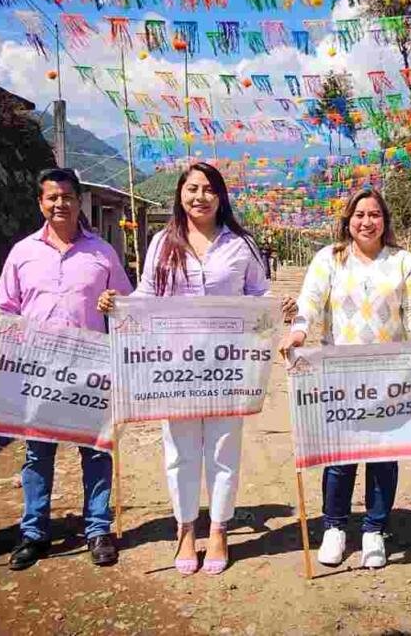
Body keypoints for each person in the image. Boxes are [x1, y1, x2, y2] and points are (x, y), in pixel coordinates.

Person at [98, 162, 286, 576]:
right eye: (191, 189)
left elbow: (260, 294)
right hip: (175, 368)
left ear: (220, 196)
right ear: (180, 195)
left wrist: (278, 311)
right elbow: (146, 294)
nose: (199, 197)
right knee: (180, 452)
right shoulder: (163, 243)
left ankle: (218, 529)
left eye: (207, 189)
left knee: (222, 451)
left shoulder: (241, 245)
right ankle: (185, 529)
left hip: (227, 368)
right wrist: (119, 304)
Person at [0, 168, 133, 571]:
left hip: (91, 370)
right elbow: (5, 310)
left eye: (67, 197)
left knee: (96, 451)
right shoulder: (22, 253)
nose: (60, 204)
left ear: (80, 202)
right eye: (52, 198)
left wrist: (116, 303)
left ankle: (97, 529)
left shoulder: (103, 253)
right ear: (41, 203)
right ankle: (33, 534)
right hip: (37, 371)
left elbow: (130, 306)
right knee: (36, 454)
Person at [278, 188, 411, 569]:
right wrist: (298, 334)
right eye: (359, 215)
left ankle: (374, 530)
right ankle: (335, 527)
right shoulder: (329, 259)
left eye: (374, 215)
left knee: (384, 456)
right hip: (340, 374)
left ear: (385, 220)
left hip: (390, 376)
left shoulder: (403, 262)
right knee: (341, 456)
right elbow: (309, 305)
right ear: (348, 220)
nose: (367, 221)